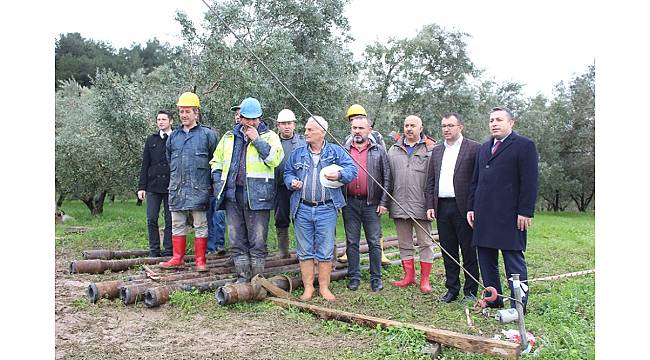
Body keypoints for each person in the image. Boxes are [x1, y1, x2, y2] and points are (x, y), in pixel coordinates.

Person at [467, 106, 539, 312]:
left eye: (499, 120)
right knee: (486, 260)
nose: (494, 124)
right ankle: (494, 299)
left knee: (513, 260)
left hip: (510, 216)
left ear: (511, 123)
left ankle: (519, 304)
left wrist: (525, 211)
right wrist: (472, 207)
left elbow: (530, 181)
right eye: (491, 120)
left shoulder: (524, 146)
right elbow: (476, 181)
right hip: (483, 214)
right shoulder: (483, 148)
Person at [283, 116, 357, 301]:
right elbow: (287, 172)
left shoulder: (335, 152)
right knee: (304, 250)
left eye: (310, 130)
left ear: (322, 132)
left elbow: (352, 170)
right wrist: (291, 182)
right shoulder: (298, 153)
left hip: (326, 208)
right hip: (302, 208)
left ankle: (324, 287)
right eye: (306, 129)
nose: (305, 133)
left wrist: (340, 174)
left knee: (325, 250)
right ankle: (308, 288)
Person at [210, 97, 284, 283]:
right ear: (240, 117)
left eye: (255, 118)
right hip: (233, 195)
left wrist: (257, 140)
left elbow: (274, 160)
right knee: (236, 240)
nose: (252, 122)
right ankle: (242, 278)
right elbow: (216, 162)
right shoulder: (228, 137)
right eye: (248, 118)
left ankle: (257, 279)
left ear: (260, 118)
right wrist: (218, 182)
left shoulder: (270, 137)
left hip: (258, 197)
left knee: (258, 241)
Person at [425, 112, 480, 303]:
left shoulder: (473, 149)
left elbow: (477, 181)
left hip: (464, 208)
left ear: (460, 127)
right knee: (448, 251)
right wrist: (430, 204)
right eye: (443, 126)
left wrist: (475, 208)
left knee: (469, 251)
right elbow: (431, 180)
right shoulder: (437, 151)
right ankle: (452, 289)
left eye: (450, 125)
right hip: (442, 207)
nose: (446, 129)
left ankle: (471, 291)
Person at [159, 92, 218, 272]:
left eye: (187, 111)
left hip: (199, 189)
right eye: (181, 111)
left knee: (201, 225)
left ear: (196, 113)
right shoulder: (173, 137)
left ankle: (201, 260)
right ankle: (177, 258)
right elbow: (170, 160)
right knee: (177, 224)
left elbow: (215, 160)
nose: (184, 115)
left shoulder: (208, 135)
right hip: (177, 189)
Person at [342, 115, 392, 292]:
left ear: (369, 130)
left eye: (361, 128)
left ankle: (376, 278)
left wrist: (384, 202)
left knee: (374, 242)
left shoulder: (378, 150)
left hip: (372, 204)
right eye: (354, 128)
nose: (357, 131)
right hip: (350, 203)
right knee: (352, 242)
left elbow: (387, 178)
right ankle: (354, 277)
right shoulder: (345, 150)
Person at [387, 115, 436, 293]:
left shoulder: (430, 149)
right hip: (399, 203)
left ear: (420, 128)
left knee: (425, 243)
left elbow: (434, 180)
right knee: (404, 243)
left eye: (413, 125)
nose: (409, 128)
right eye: (406, 125)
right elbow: (387, 178)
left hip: (422, 205)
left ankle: (425, 280)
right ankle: (408, 277)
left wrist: (432, 204)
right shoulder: (393, 150)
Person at [137, 110, 174, 257]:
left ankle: (169, 251)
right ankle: (154, 250)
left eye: (164, 119)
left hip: (171, 186)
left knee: (170, 220)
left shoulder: (176, 138)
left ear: (170, 121)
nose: (161, 122)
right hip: (153, 185)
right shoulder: (151, 140)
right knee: (151, 218)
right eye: (158, 119)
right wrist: (141, 187)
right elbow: (145, 164)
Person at [274, 109, 306, 258]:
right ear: (278, 125)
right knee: (281, 218)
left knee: (300, 219)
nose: (286, 126)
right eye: (283, 124)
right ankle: (283, 251)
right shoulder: (272, 141)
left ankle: (302, 251)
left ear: (294, 125)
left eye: (289, 123)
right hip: (279, 188)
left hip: (298, 188)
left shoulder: (302, 142)